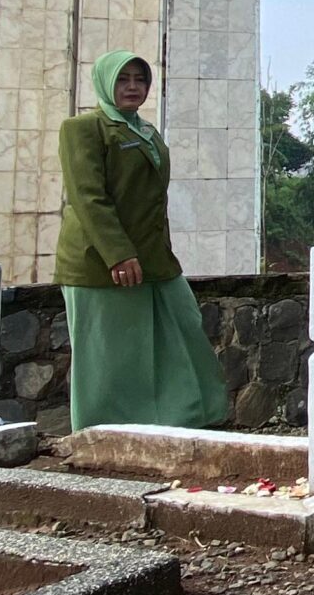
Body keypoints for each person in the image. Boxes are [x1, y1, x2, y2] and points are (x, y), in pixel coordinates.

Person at [55, 50, 231, 431]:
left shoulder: (146, 131)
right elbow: (88, 197)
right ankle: (102, 433)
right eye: (123, 79)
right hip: (99, 262)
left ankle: (187, 419)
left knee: (183, 327)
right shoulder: (83, 128)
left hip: (153, 258)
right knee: (108, 355)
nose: (133, 87)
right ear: (105, 83)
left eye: (140, 79)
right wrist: (118, 255)